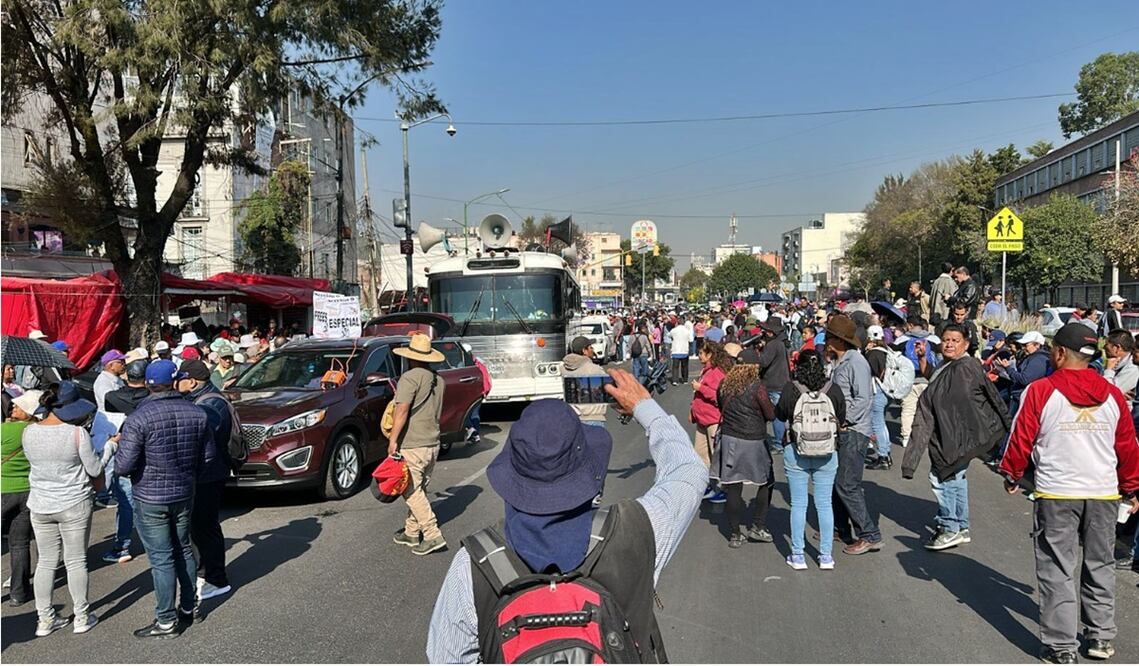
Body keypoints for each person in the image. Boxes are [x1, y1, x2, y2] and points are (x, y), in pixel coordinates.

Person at [425, 370, 705, 663]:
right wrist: (644, 406)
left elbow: (446, 656)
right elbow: (688, 471)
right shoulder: (636, 530)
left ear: (513, 475)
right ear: (588, 467)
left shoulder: (473, 564)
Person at [999, 323, 1139, 664]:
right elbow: (1128, 446)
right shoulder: (1114, 395)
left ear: (1059, 353)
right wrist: (1132, 488)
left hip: (1057, 493)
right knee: (1100, 564)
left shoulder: (1040, 390)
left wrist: (1012, 472)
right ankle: (1100, 638)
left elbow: (1021, 438)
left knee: (1057, 568)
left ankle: (1062, 646)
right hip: (1104, 494)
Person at [115, 360, 214, 639]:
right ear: (176, 381)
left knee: (161, 558)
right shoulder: (198, 413)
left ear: (147, 383)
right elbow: (207, 457)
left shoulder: (139, 418)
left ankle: (166, 620)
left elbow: (123, 466)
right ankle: (188, 606)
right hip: (184, 491)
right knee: (182, 548)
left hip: (151, 496)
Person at [902, 324, 1011, 551]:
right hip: (953, 434)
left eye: (955, 340)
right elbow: (935, 379)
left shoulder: (967, 366)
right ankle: (961, 526)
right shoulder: (948, 365)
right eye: (946, 340)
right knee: (957, 478)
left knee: (943, 479)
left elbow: (991, 395)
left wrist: (1007, 426)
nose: (950, 344)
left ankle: (950, 527)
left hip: (957, 436)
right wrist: (923, 359)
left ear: (966, 344)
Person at [23, 382, 113, 636]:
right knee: (76, 561)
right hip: (74, 502)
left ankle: (44, 619)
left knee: (46, 562)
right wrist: (109, 449)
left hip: (40, 504)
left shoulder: (28, 432)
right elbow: (94, 469)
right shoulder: (76, 433)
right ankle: (82, 616)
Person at [774, 349, 846, 570]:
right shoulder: (832, 388)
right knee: (824, 504)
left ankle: (798, 555)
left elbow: (780, 415)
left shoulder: (791, 388)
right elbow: (841, 417)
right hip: (827, 451)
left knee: (798, 504)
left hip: (796, 449)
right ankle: (825, 556)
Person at [175, 359, 235, 601]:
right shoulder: (201, 398)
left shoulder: (210, 404)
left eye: (179, 378)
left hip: (209, 475)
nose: (175, 383)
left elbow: (199, 439)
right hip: (205, 473)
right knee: (199, 527)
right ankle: (206, 572)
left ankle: (217, 579)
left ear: (191, 381)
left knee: (206, 527)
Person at [823, 314, 883, 555]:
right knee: (837, 482)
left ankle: (869, 534)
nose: (827, 340)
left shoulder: (856, 362)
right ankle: (841, 528)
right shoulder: (840, 362)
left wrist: (844, 421)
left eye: (831, 337)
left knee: (847, 484)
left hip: (854, 430)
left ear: (840, 340)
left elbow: (864, 398)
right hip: (843, 429)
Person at [710, 343, 776, 547]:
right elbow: (770, 414)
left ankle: (735, 533)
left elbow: (722, 407)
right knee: (766, 481)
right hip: (753, 439)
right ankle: (758, 526)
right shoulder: (758, 387)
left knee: (733, 487)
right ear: (753, 367)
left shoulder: (724, 385)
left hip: (730, 439)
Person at [388, 333, 448, 556]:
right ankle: (412, 532)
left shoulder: (409, 378)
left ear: (410, 357)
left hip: (413, 443)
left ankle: (432, 535)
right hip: (433, 441)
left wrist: (393, 440)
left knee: (411, 491)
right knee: (420, 489)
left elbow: (401, 410)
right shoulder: (438, 380)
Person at [100, 358, 150, 564]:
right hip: (149, 451)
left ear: (126, 375)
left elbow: (109, 424)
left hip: (123, 450)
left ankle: (122, 546)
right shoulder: (152, 397)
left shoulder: (112, 396)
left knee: (126, 501)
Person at [2, 390, 42, 607]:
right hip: (27, 490)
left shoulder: (5, 429)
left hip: (3, 490)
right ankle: (19, 593)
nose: (12, 408)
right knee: (19, 543)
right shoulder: (35, 430)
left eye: (17, 406)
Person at [691, 341, 729, 500]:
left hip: (713, 420)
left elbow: (718, 396)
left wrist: (701, 389)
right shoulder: (706, 370)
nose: (699, 356)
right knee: (700, 454)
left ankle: (721, 488)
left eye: (702, 353)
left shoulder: (717, 372)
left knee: (716, 455)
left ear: (710, 355)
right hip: (702, 419)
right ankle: (706, 484)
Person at [756, 318, 791, 455]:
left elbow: (763, 362)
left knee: (775, 415)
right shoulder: (781, 343)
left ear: (770, 332)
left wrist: (759, 351)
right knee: (780, 415)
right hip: (781, 382)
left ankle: (777, 443)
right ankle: (781, 440)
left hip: (773, 383)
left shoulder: (773, 345)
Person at [863, 326, 894, 470]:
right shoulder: (887, 350)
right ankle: (886, 453)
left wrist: (865, 352)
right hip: (888, 390)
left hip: (877, 391)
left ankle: (883, 455)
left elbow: (867, 371)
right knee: (882, 423)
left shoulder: (873, 354)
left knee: (877, 424)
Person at [563, 336, 609, 428]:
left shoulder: (563, 368)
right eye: (590, 347)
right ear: (584, 351)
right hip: (593, 419)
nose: (592, 349)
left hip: (572, 419)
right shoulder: (594, 370)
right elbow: (609, 389)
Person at [1103, 329, 1137, 409]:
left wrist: (1109, 371)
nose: (1104, 347)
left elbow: (1107, 394)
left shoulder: (1132, 368)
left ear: (1117, 348)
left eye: (1107, 344)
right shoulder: (1116, 363)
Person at [669, 316, 692, 386]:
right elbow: (691, 340)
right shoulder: (687, 331)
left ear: (677, 323)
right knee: (684, 366)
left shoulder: (674, 330)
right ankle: (685, 379)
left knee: (675, 367)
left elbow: (669, 335)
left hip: (676, 350)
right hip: (684, 350)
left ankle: (675, 380)